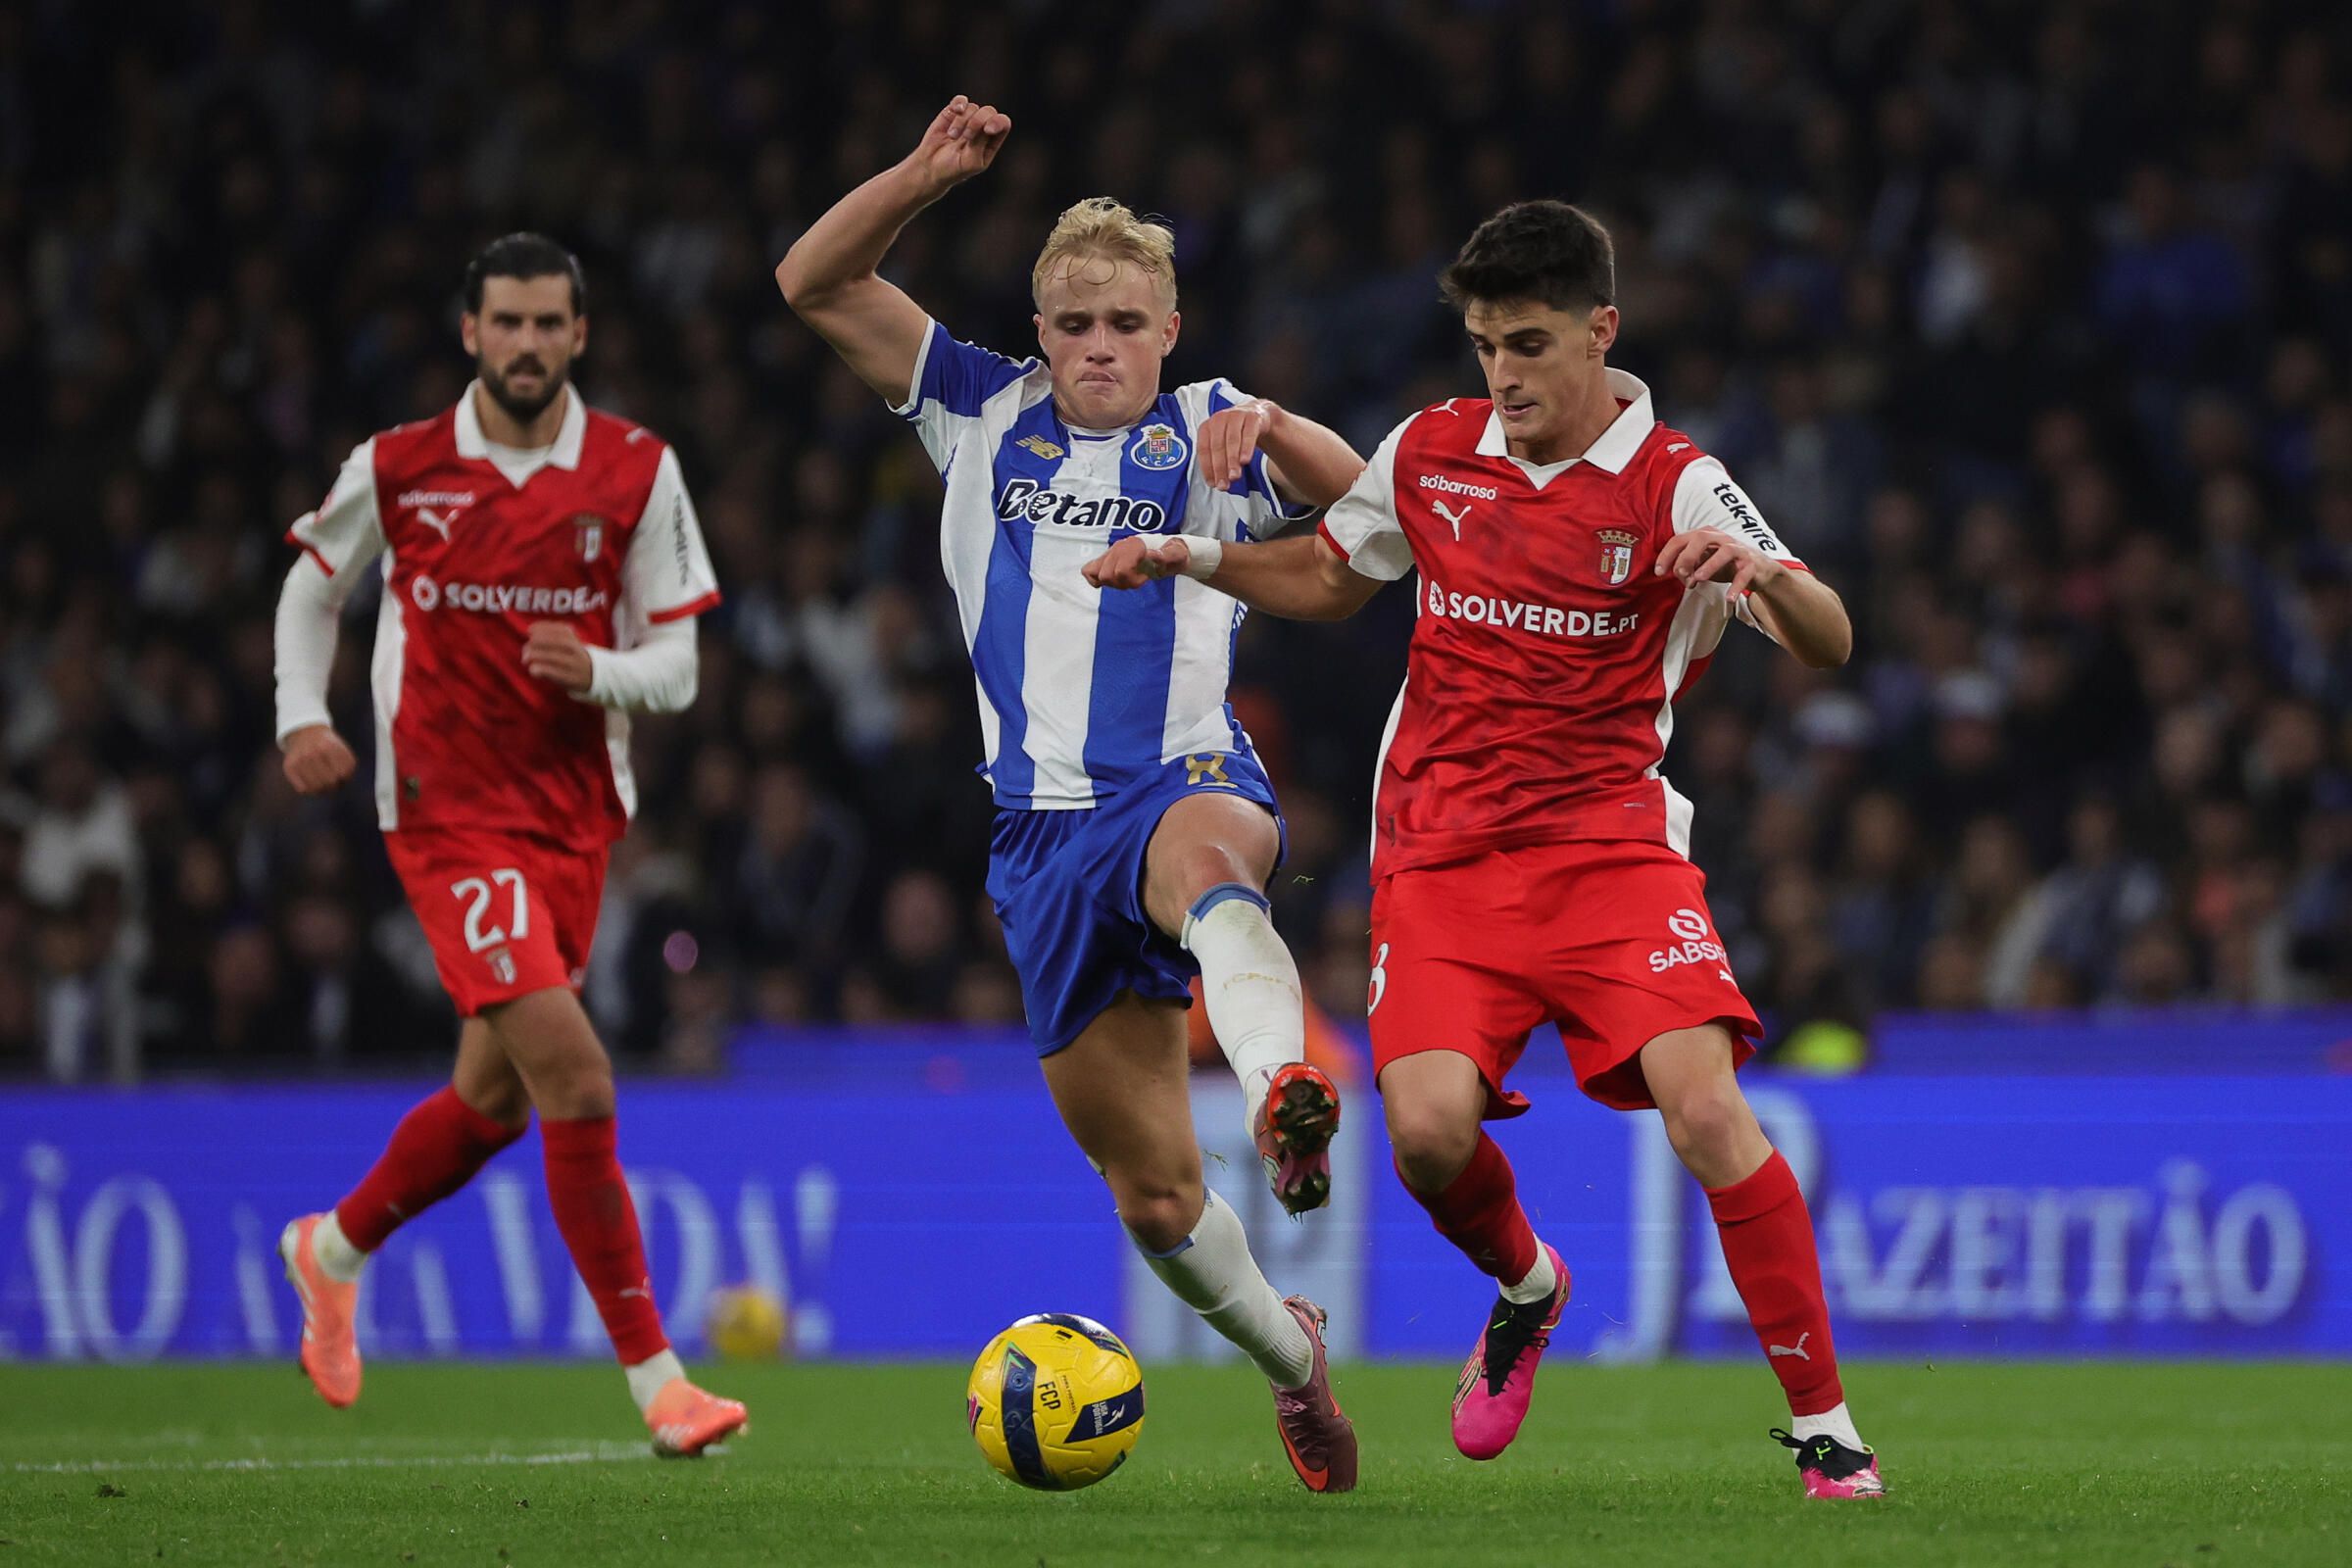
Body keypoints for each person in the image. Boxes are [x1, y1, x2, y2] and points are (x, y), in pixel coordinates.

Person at [1086, 200, 1885, 1498]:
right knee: (1426, 1137)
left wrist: (1761, 573)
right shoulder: (1433, 451)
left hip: (1611, 855)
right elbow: (1333, 575)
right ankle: (1527, 1288)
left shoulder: (1677, 481)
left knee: (1706, 1108)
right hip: (1444, 860)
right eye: (1484, 345)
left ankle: (1826, 1429)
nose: (1503, 374)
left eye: (1528, 343)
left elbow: (1831, 639)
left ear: (1601, 331)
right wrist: (1193, 555)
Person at [778, 97, 1367, 1491]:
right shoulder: (975, 409)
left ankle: (1283, 1079)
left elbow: (1369, 531)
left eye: (1126, 323)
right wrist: (919, 177)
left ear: (1170, 332)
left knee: (1210, 866)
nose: (1100, 345)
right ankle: (1294, 1361)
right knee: (1157, 1198)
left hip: (1182, 775)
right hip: (1039, 839)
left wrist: (1284, 428)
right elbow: (812, 282)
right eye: (1075, 322)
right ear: (1039, 333)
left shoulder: (1214, 428)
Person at [270, 233, 746, 1457]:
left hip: (572, 818)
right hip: (444, 813)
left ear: (578, 334)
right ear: (470, 332)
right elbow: (315, 583)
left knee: (490, 1105)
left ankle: (332, 1249)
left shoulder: (637, 470)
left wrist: (599, 669)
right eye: (508, 322)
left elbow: (679, 669)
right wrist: (301, 715)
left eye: (549, 323)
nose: (528, 343)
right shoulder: (399, 465)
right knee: (578, 1079)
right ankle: (660, 1384)